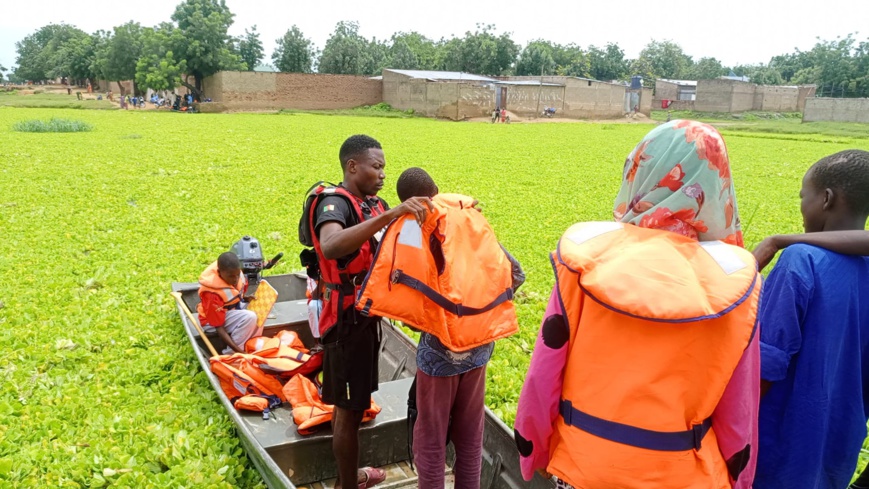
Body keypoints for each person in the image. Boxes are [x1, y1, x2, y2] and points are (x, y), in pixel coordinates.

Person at [514, 120, 760, 488]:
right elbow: (739, 409)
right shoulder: (736, 283)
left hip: (584, 464)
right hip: (682, 475)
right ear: (716, 184)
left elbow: (544, 373)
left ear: (639, 170)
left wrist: (533, 449)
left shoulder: (584, 261)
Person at [308, 135, 433, 489]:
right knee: (347, 412)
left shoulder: (372, 204)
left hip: (367, 318)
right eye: (375, 167)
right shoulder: (334, 204)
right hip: (345, 324)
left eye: (383, 168)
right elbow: (331, 246)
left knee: (354, 403)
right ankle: (348, 484)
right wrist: (392, 213)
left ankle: (349, 476)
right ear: (352, 166)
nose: (381, 175)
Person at [391, 168, 525, 489]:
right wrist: (479, 317)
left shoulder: (411, 229)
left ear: (406, 202)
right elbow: (515, 274)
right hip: (478, 348)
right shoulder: (468, 220)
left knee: (431, 440)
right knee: (470, 436)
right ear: (436, 189)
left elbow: (406, 298)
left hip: (439, 353)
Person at [753, 149, 869, 489]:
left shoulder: (800, 261)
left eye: (805, 196)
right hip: (837, 450)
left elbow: (765, 367)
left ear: (827, 199)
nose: (802, 207)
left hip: (777, 451)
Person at [197, 252, 259, 355]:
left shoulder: (238, 275)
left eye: (237, 275)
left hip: (230, 310)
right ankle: (231, 354)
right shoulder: (212, 294)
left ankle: (251, 346)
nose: (235, 279)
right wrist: (239, 351)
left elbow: (235, 295)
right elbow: (219, 327)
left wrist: (246, 298)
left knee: (259, 310)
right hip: (210, 321)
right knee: (250, 317)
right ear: (219, 272)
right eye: (231, 276)